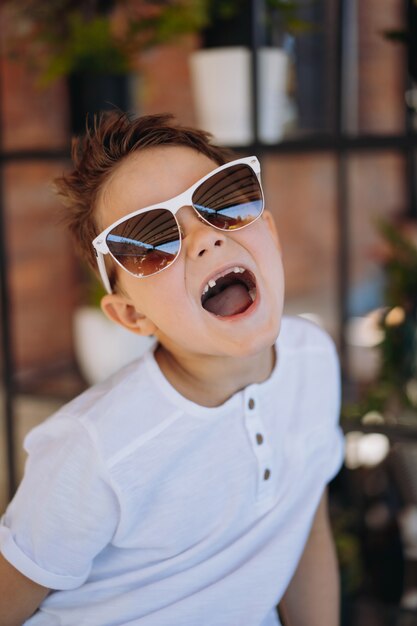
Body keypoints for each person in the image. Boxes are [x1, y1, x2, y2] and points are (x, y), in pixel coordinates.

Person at [0, 112, 345, 626]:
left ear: (268, 232)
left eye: (222, 201)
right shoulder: (93, 449)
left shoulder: (314, 359)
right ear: (132, 315)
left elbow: (303, 519)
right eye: (150, 240)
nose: (202, 239)